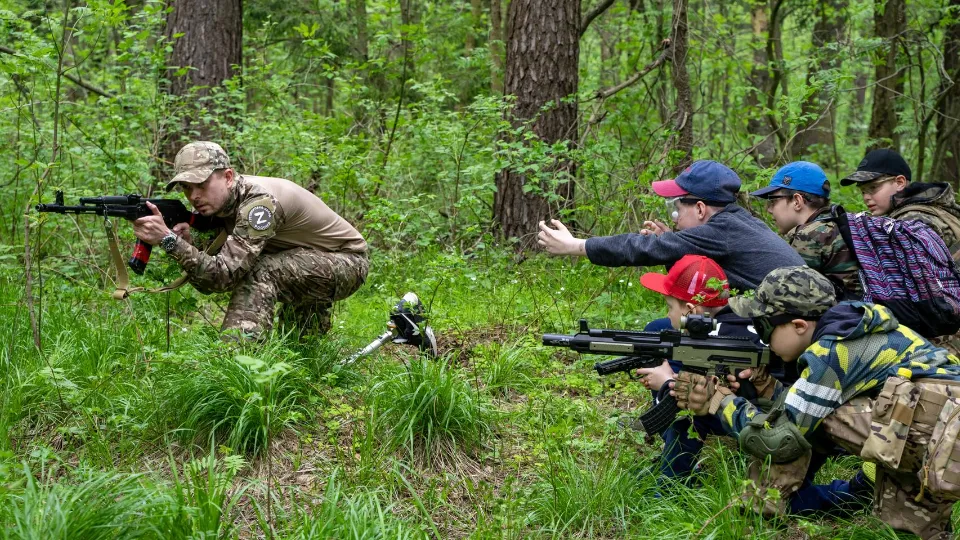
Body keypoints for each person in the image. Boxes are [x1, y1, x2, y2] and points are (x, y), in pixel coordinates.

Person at [671, 266, 960, 539]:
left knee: (799, 424)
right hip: (941, 442)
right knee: (907, 532)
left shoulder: (830, 351)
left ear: (798, 325)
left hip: (941, 441)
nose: (762, 339)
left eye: (762, 326)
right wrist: (768, 387)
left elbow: (778, 439)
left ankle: (757, 518)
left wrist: (720, 401)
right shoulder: (854, 330)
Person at [132, 141, 369, 340]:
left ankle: (237, 361)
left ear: (228, 177)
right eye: (186, 187)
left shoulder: (259, 204)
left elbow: (224, 277)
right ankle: (307, 353)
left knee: (262, 272)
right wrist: (187, 244)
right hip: (306, 257)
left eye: (202, 185)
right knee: (300, 349)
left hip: (348, 262)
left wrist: (170, 241)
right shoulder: (217, 207)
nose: (194, 196)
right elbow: (207, 283)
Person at [537, 160, 805, 293]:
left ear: (700, 209)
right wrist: (674, 246)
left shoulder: (720, 231)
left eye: (677, 207)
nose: (674, 217)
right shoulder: (739, 222)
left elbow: (642, 248)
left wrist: (577, 245)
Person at [750, 161, 862, 300]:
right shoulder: (835, 221)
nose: (769, 209)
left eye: (773, 201)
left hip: (845, 311)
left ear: (797, 201)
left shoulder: (809, 235)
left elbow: (786, 292)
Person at [840, 148, 960, 249]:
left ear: (899, 182)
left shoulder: (910, 223)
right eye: (863, 191)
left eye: (873, 187)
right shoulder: (930, 206)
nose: (866, 197)